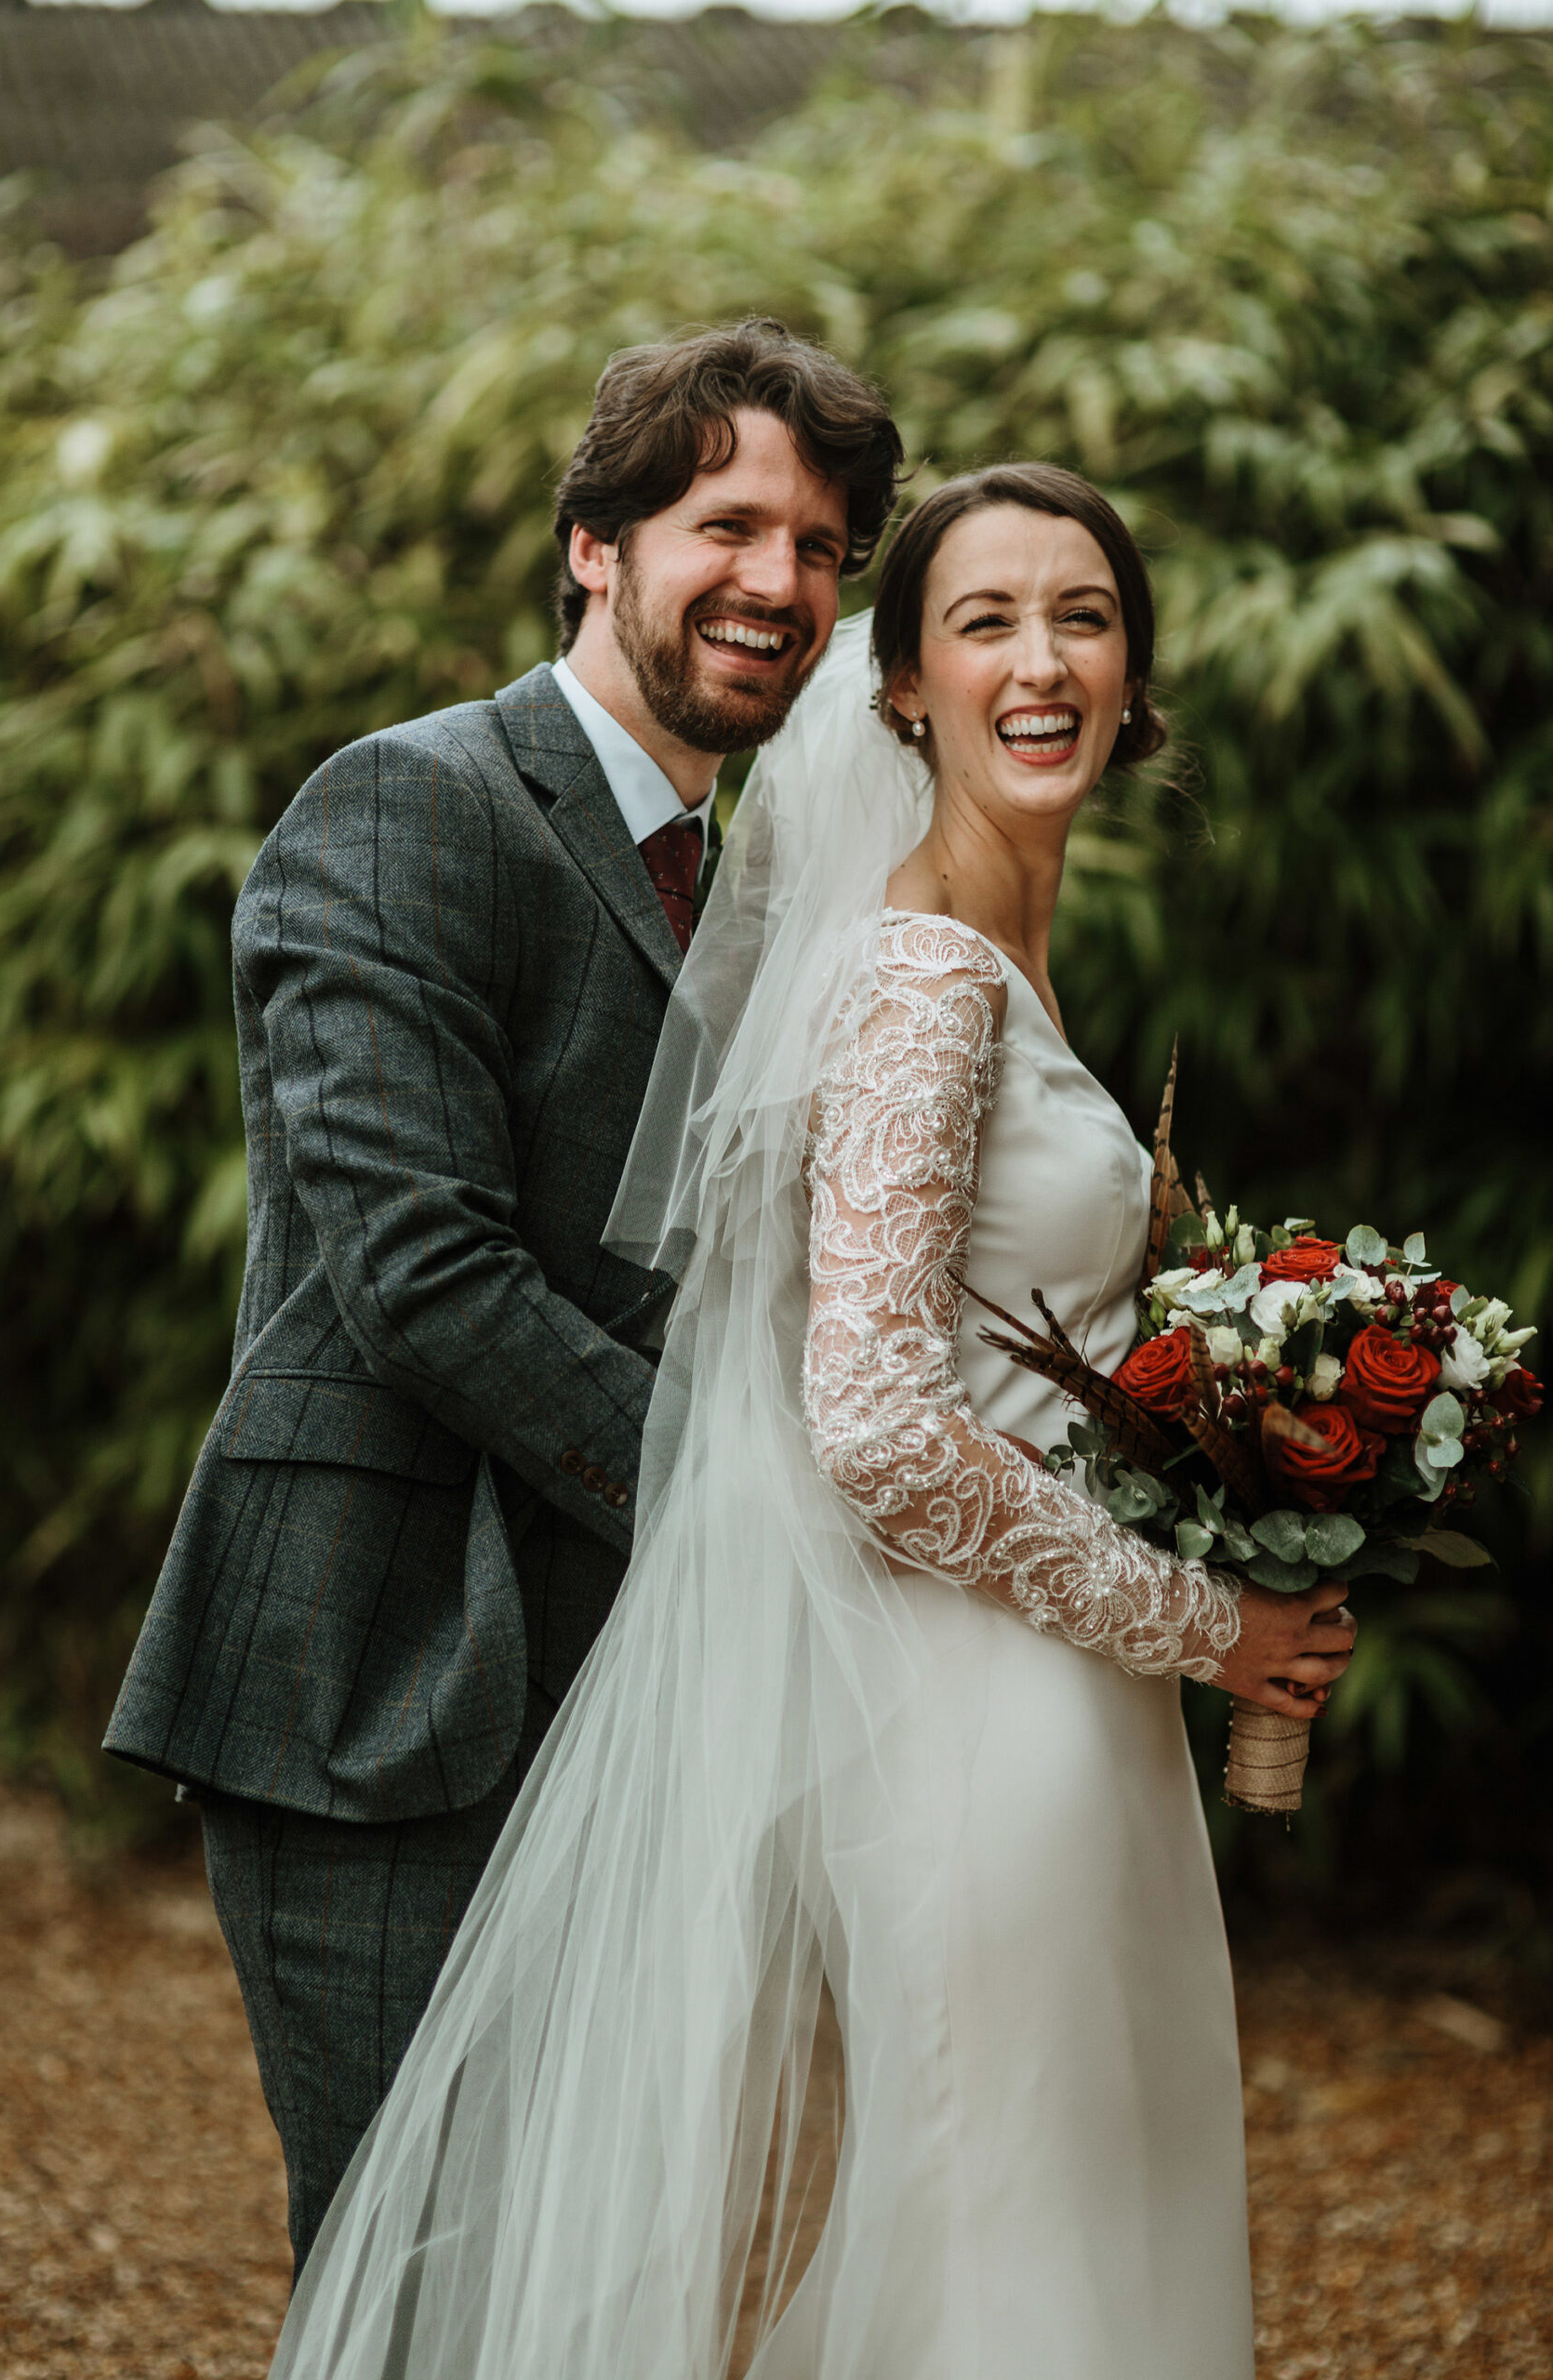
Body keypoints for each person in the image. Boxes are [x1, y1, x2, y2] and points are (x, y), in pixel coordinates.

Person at [265, 465, 1358, 2380]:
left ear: (1132, 677)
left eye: (1083, 616)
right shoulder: (922, 978)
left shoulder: (1000, 958)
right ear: (903, 690)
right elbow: (868, 1422)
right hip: (973, 1709)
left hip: (1062, 1684)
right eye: (986, 621)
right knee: (1013, 2246)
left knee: (1081, 2202)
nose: (1041, 660)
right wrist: (1212, 1625)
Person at [100, 318, 905, 2277]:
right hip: (389, 1677)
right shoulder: (404, 807)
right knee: (423, 2268)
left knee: (594, 2275)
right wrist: (754, 1522)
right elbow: (420, 1268)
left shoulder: (764, 889)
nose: (777, 583)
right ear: (592, 545)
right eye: (727, 523)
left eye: (817, 549)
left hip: (636, 1702)